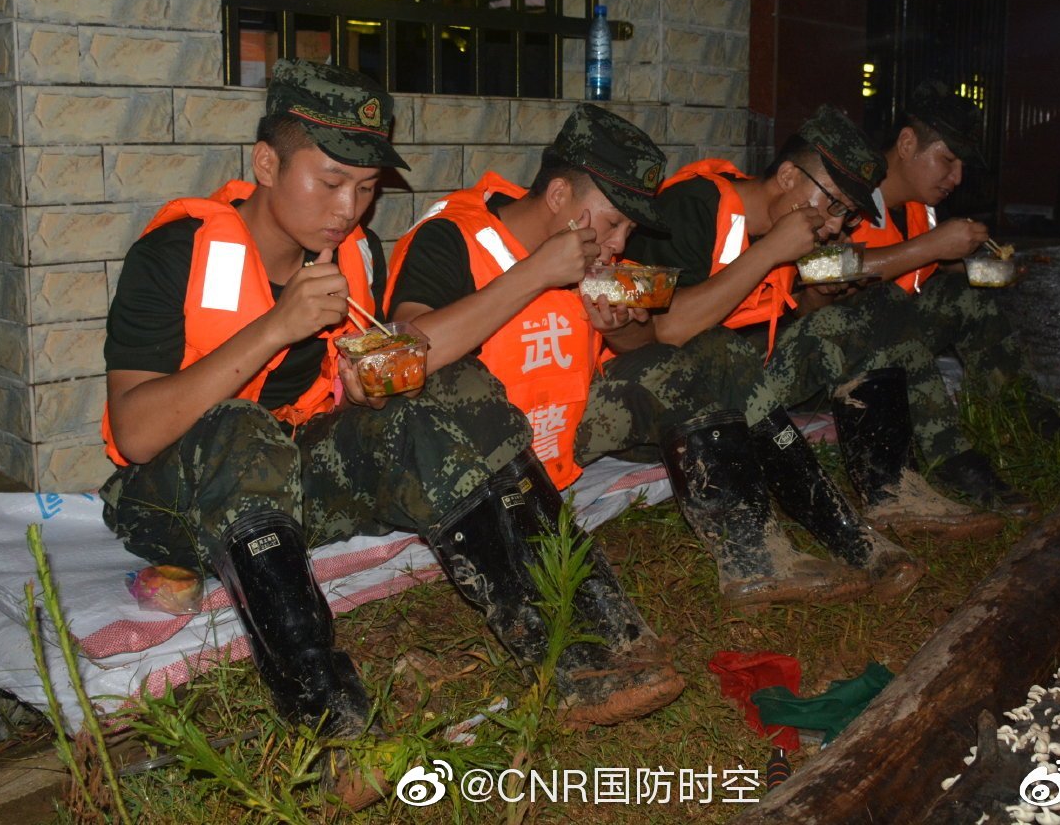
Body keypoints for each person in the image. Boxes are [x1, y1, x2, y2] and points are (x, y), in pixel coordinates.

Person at [97, 61, 681, 746]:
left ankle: (591, 642)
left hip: (293, 485)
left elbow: (357, 390)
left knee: (451, 386)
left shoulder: (356, 256)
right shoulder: (174, 254)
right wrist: (274, 328)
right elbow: (135, 434)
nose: (349, 209)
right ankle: (334, 732)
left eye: (367, 189)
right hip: (175, 497)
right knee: (240, 429)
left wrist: (379, 384)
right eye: (332, 182)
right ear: (266, 163)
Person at [385, 104, 922, 610]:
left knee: (712, 355)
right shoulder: (451, 237)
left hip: (568, 431)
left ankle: (760, 554)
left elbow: (654, 352)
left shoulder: (599, 257)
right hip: (476, 454)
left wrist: (624, 332)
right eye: (614, 222)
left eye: (627, 229)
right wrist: (536, 274)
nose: (619, 243)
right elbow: (401, 358)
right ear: (557, 196)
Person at [624, 105, 1021, 530]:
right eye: (833, 205)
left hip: (750, 384)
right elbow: (664, 331)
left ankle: (905, 484)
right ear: (790, 176)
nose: (835, 226)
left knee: (867, 310)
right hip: (671, 404)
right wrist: (772, 251)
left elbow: (781, 329)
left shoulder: (796, 232)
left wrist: (815, 297)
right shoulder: (692, 206)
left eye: (847, 214)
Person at [844, 83, 1056, 506]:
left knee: (965, 295)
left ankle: (1034, 418)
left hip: (892, 343)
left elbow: (916, 271)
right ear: (906, 144)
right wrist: (932, 247)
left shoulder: (919, 208)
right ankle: (955, 459)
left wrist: (968, 265)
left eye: (961, 165)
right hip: (838, 352)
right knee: (891, 312)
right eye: (947, 159)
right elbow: (819, 271)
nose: (956, 178)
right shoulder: (846, 194)